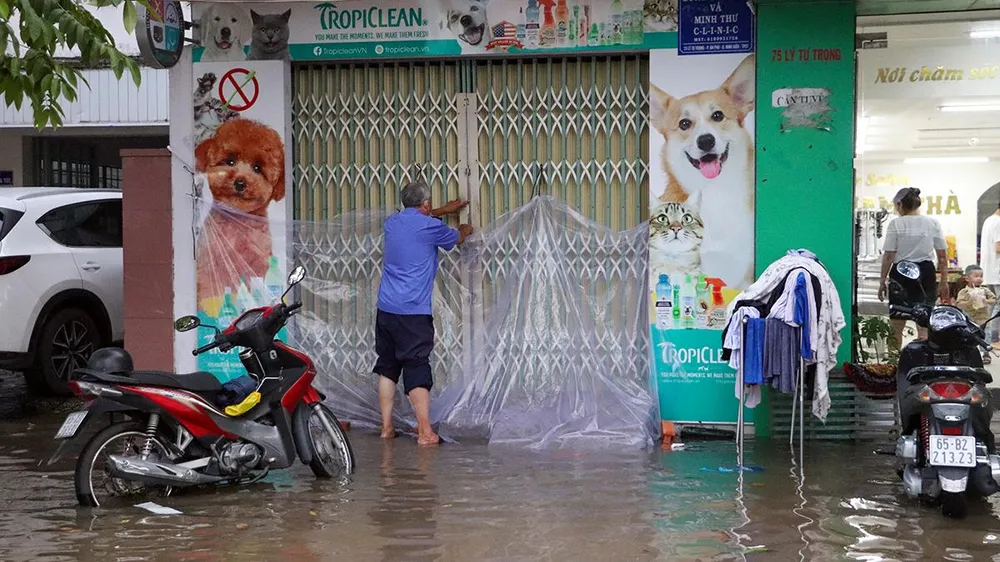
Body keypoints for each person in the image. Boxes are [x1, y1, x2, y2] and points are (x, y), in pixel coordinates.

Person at [374, 180, 473, 445]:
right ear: (426, 204)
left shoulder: (392, 223)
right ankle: (425, 432)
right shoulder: (431, 227)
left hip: (386, 308)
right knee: (417, 365)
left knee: (388, 367)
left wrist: (442, 210)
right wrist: (465, 227)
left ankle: (386, 428)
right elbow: (457, 237)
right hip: (412, 312)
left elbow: (417, 220)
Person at [878, 187, 950, 347]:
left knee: (896, 324)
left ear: (900, 205)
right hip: (926, 273)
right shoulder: (932, 223)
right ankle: (922, 362)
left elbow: (889, 256)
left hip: (901, 274)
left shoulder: (896, 224)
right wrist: (944, 281)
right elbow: (943, 256)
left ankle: (894, 363)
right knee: (924, 323)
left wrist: (882, 281)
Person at [956, 264, 997, 364]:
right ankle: (969, 353)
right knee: (970, 335)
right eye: (976, 276)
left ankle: (986, 354)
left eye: (981, 276)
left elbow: (994, 299)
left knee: (985, 334)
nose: (979, 279)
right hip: (969, 318)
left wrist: (986, 301)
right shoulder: (964, 292)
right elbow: (958, 304)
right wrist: (968, 302)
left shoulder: (985, 290)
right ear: (967, 278)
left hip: (983, 318)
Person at [980, 201, 1000, 344]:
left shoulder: (988, 220)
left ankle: (988, 337)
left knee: (991, 305)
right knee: (998, 305)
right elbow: (998, 247)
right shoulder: (998, 222)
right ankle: (994, 338)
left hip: (988, 270)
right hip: (997, 271)